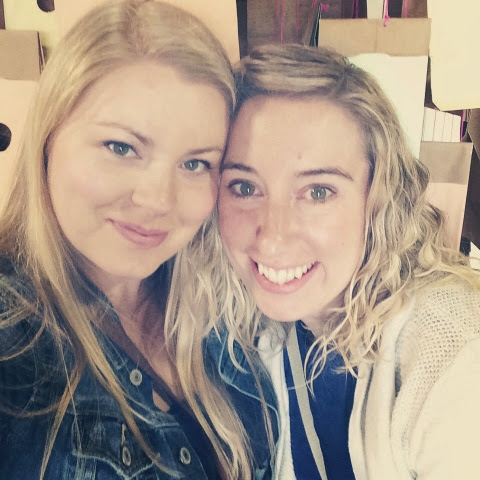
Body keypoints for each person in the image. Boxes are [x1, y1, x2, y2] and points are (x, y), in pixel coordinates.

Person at [0, 2, 277, 479]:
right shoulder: (13, 342)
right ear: (48, 139)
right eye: (121, 147)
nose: (158, 201)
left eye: (196, 164)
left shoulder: (230, 302)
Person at [216, 43, 480, 480]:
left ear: (377, 198)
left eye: (318, 192)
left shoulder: (454, 357)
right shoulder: (247, 332)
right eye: (245, 187)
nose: (274, 236)